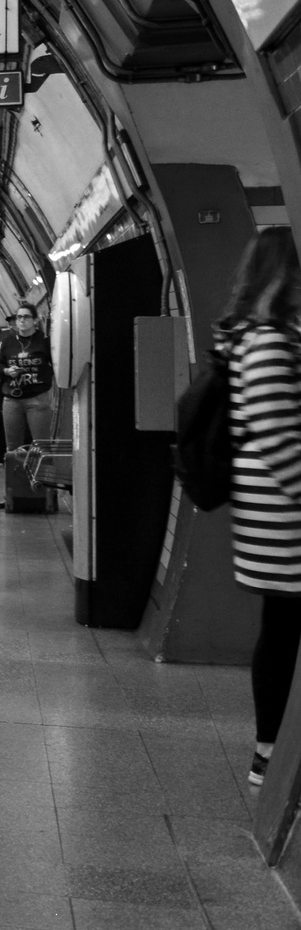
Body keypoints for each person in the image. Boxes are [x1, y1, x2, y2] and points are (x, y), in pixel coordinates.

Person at [216, 228, 301, 786]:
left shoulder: (265, 336)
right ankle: (270, 749)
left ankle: (274, 748)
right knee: (285, 628)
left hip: (277, 510)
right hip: (283, 513)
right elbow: (276, 434)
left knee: (286, 626)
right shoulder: (268, 342)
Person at [0, 303, 56, 449]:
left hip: (37, 397)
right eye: (19, 317)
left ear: (35, 320)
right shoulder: (8, 341)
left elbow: (56, 366)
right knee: (12, 446)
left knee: (42, 445)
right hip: (12, 398)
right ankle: (15, 471)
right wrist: (7, 371)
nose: (22, 320)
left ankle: (43, 471)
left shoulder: (45, 340)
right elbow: (1, 365)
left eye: (26, 317)